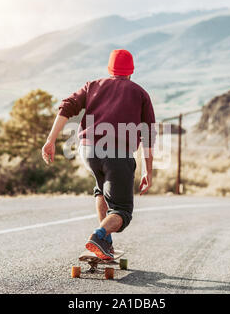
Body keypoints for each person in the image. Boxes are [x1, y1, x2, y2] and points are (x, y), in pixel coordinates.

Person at [42, 49, 156, 260]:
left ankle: (106, 245)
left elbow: (66, 107)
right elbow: (148, 135)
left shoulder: (92, 85)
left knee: (101, 190)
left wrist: (50, 140)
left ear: (109, 69)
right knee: (122, 211)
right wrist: (147, 171)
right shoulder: (140, 93)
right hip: (117, 154)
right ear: (131, 71)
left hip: (88, 151)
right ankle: (99, 236)